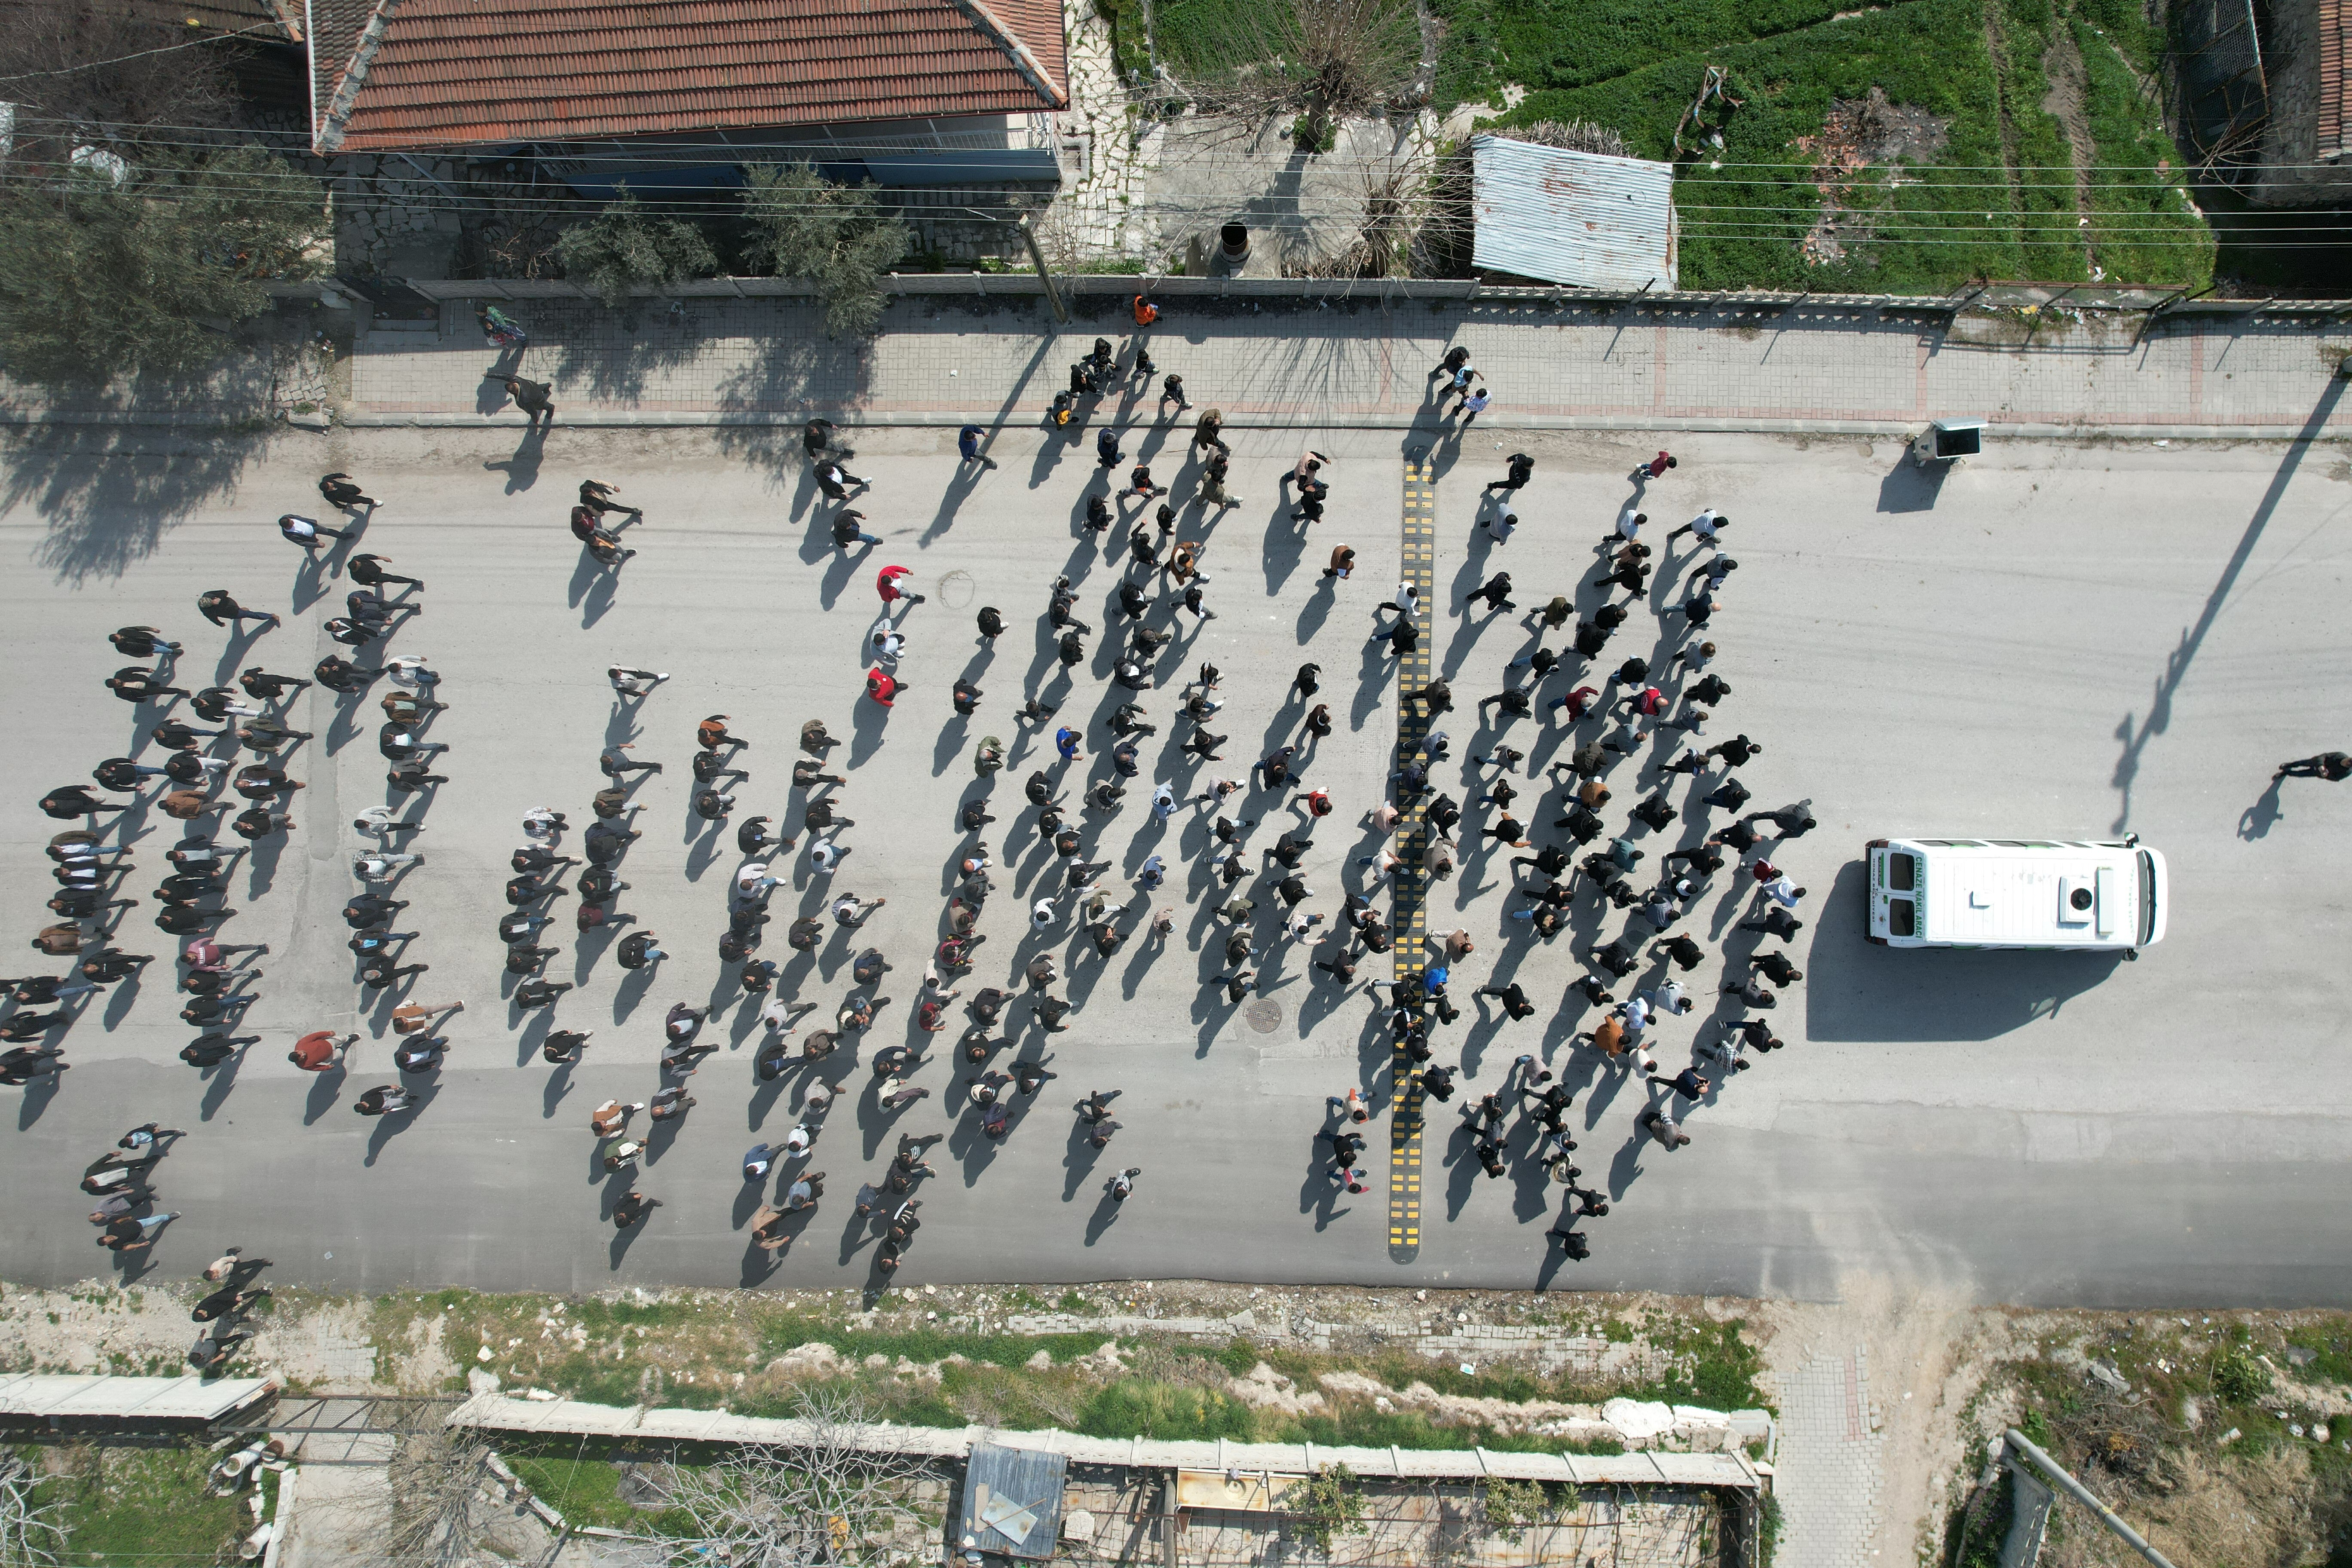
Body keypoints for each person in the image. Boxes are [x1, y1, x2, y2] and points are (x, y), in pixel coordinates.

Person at [2277, 751, 2352, 781]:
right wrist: (2321, 765)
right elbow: (2324, 756)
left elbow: (2336, 778)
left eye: (2349, 765)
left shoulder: (2347, 772)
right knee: (2300, 763)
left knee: (2300, 774)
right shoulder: (2340, 755)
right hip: (2315, 763)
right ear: (2349, 758)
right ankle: (2289, 765)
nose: (2347, 763)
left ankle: (2287, 773)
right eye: (2349, 760)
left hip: (2317, 773)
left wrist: (2326, 775)